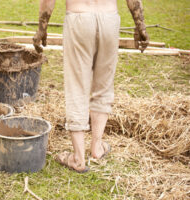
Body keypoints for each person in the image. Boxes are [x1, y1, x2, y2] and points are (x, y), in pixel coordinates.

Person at [33, 0, 149, 173]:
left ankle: (78, 157)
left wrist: (42, 27)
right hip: (109, 18)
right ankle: (97, 146)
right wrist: (140, 25)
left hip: (79, 17)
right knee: (104, 85)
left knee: (77, 85)